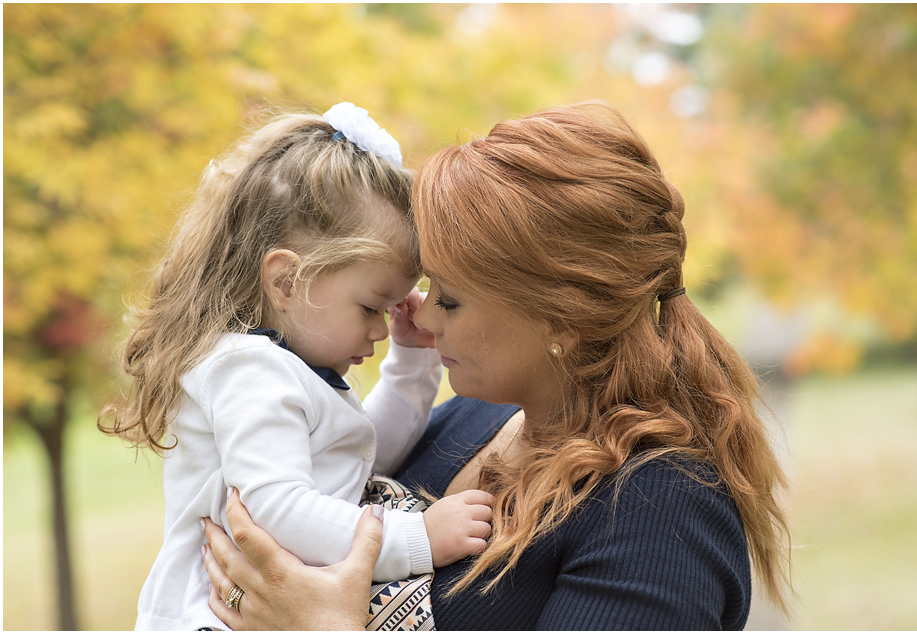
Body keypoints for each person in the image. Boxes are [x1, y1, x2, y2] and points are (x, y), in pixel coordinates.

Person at [200, 100, 792, 630]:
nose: (423, 320)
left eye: (450, 299)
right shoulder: (468, 421)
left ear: (562, 318)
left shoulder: (658, 512)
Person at [99, 103, 494, 631]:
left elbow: (361, 450)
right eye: (370, 307)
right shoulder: (248, 371)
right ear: (287, 282)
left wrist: (411, 361)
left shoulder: (279, 368)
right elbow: (277, 511)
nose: (381, 328)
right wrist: (415, 540)